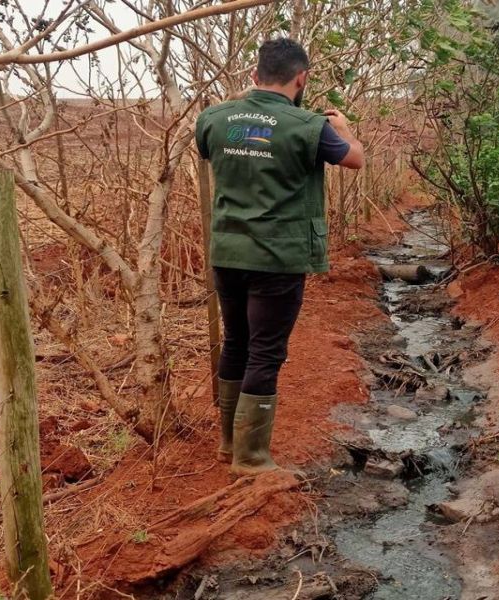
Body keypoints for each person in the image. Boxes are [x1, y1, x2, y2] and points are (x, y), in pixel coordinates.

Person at [195, 38, 364, 476]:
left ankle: (228, 444)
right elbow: (355, 160)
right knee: (266, 351)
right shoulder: (310, 126)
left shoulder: (213, 118)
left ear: (255, 74)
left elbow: (212, 147)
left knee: (236, 341)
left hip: (228, 251)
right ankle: (251, 458)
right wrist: (344, 128)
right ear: (301, 78)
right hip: (277, 256)